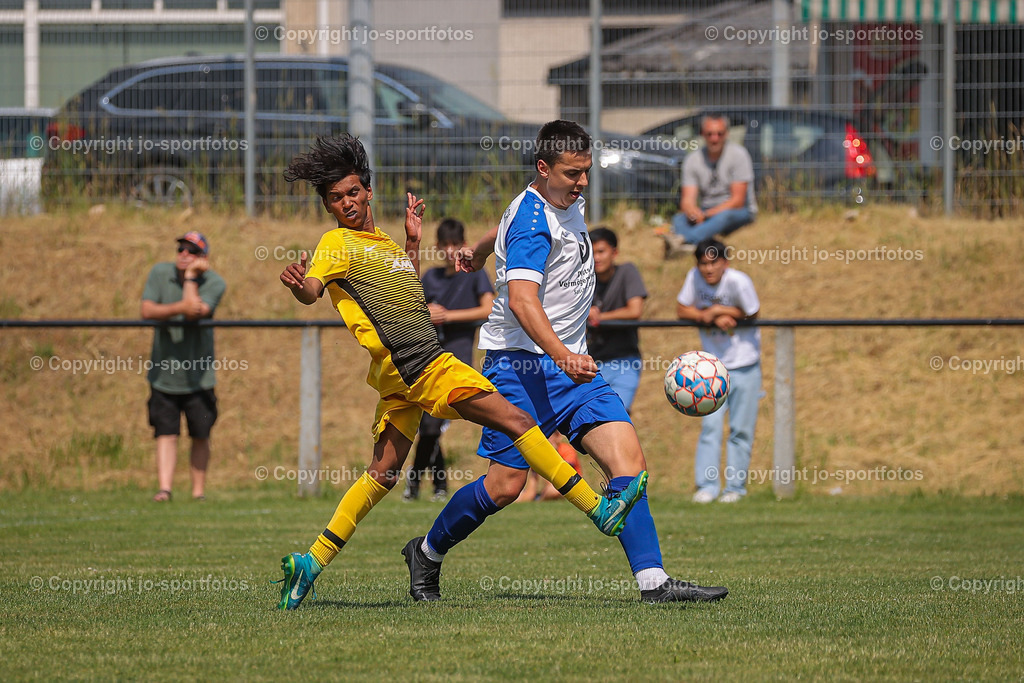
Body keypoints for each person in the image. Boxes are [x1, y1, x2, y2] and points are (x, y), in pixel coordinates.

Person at [273, 134, 646, 610]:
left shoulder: (380, 240)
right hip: (424, 365)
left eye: (351, 193)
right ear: (327, 206)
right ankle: (601, 511)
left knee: (382, 475)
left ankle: (311, 562)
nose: (345, 203)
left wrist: (411, 242)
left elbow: (404, 287)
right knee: (519, 422)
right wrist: (298, 286)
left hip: (397, 375)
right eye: (334, 198)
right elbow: (312, 289)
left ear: (367, 191)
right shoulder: (334, 243)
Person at [403, 120, 728, 605]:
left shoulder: (556, 198)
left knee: (629, 464)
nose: (582, 182)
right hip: (521, 368)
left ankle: (654, 583)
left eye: (586, 172)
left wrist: (481, 248)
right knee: (504, 486)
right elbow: (522, 302)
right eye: (572, 173)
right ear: (544, 168)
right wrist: (564, 356)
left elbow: (509, 216)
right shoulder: (534, 223)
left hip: (573, 370)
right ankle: (426, 552)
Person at [403, 218, 495, 503]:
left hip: (459, 363)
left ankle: (417, 483)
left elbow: (488, 308)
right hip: (429, 360)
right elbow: (413, 308)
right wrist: (426, 310)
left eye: (456, 245)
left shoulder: (474, 274)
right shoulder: (430, 278)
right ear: (438, 247)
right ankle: (435, 487)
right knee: (430, 427)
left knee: (432, 427)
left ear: (465, 245)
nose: (451, 251)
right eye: (445, 246)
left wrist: (449, 316)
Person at [140, 231, 226, 502]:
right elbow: (147, 310)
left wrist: (189, 279)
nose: (184, 255)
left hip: (199, 377)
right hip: (163, 375)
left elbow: (194, 311)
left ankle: (198, 493)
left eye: (191, 251)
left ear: (204, 259)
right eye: (180, 250)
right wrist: (181, 305)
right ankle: (164, 489)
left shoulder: (214, 282)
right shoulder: (159, 273)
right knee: (165, 433)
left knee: (200, 434)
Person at [675, 238, 762, 504]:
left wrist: (719, 309)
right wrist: (707, 316)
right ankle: (707, 486)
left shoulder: (739, 281)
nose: (708, 269)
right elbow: (681, 309)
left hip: (745, 364)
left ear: (725, 263)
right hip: (710, 369)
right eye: (703, 263)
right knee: (710, 427)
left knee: (740, 429)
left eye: (714, 263)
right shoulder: (694, 278)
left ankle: (735, 488)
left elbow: (753, 312)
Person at [662, 114, 756, 255]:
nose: (714, 139)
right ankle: (694, 241)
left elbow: (737, 201)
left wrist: (706, 215)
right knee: (679, 219)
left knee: (724, 217)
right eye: (710, 134)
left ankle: (684, 239)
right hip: (706, 210)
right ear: (702, 134)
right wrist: (693, 211)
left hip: (736, 211)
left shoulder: (739, 155)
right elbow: (687, 200)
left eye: (719, 134)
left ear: (727, 134)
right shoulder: (693, 160)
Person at [587, 227, 648, 413]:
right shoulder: (583, 280)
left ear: (615, 252)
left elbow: (635, 310)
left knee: (615, 415)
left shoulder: (627, 271)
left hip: (624, 361)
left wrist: (599, 317)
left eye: (601, 251)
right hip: (590, 364)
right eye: (592, 252)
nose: (596, 258)